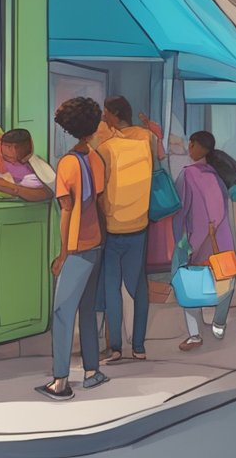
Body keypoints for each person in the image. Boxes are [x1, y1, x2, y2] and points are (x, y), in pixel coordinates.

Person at [37, 98, 109, 400]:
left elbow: (66, 211)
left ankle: (61, 381)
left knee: (63, 312)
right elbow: (100, 201)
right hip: (97, 241)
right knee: (87, 309)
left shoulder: (67, 163)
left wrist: (62, 254)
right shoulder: (95, 158)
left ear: (67, 129)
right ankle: (92, 371)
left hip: (77, 245)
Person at [94, 96, 159, 362]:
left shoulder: (106, 148)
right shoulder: (146, 139)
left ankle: (117, 347)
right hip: (140, 223)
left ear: (113, 115)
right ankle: (140, 346)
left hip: (112, 225)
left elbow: (99, 189)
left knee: (112, 285)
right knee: (139, 285)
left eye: (106, 114)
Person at [174, 132, 236, 350]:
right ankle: (219, 322)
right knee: (225, 282)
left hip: (196, 239)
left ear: (198, 147)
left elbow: (180, 211)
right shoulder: (217, 175)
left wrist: (184, 242)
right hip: (222, 241)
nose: (189, 147)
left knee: (188, 283)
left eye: (191, 144)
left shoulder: (187, 175)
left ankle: (194, 334)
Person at [0, 129, 57, 203]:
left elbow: (45, 194)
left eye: (17, 147)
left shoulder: (37, 166)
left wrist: (4, 186)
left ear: (27, 146)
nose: (12, 151)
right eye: (7, 146)